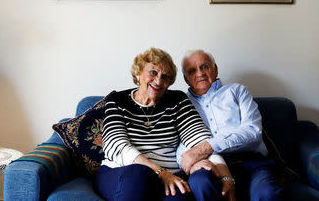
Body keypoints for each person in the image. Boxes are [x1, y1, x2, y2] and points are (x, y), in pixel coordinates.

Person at [94, 47, 234, 201]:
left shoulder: (177, 101)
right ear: (138, 73)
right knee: (138, 175)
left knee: (181, 196)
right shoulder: (117, 100)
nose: (159, 80)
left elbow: (201, 140)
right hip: (123, 173)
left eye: (165, 76)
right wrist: (162, 173)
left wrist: (225, 176)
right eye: (153, 72)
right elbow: (117, 145)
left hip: (170, 180)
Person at [177, 50, 284, 201]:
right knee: (200, 182)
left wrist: (207, 147)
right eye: (192, 70)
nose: (200, 73)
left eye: (205, 66)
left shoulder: (237, 91)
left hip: (250, 161)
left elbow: (252, 132)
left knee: (266, 194)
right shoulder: (181, 104)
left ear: (215, 69)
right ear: (186, 79)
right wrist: (188, 162)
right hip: (209, 165)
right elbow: (180, 146)